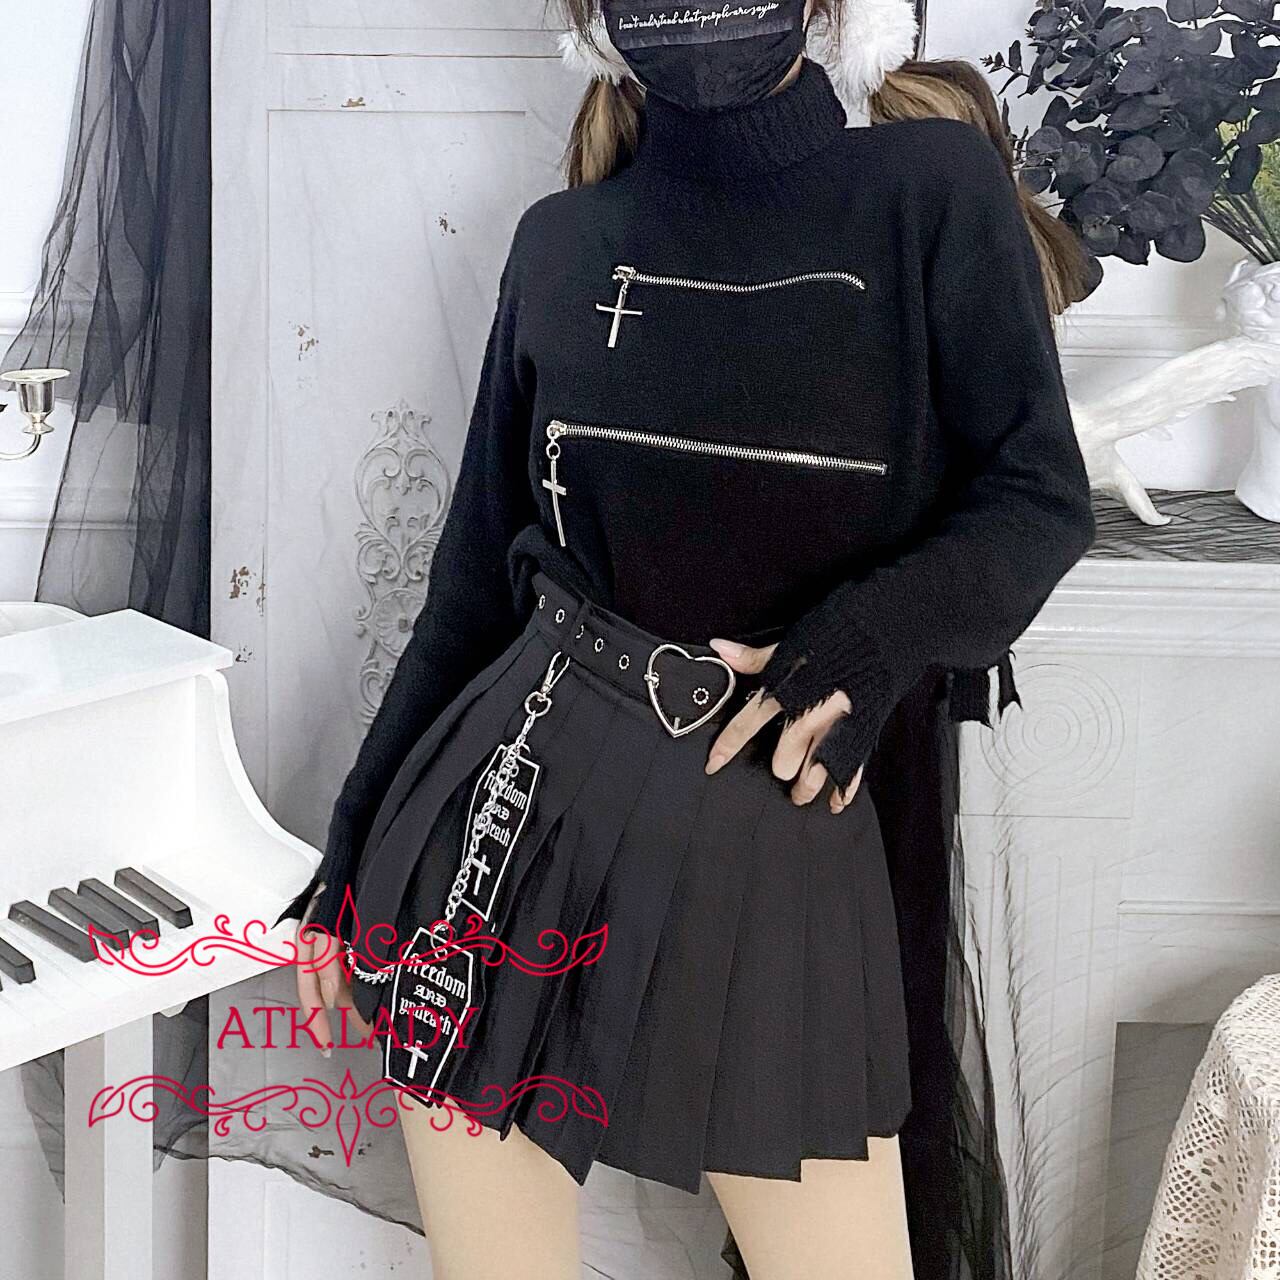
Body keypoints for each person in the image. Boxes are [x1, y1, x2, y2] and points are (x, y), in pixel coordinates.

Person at [285, 2, 1097, 1275]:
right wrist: (345, 859)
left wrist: (862, 640)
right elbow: (472, 582)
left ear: (828, 9)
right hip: (511, 804)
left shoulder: (927, 187)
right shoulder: (559, 242)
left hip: (774, 824)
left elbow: (1036, 496)